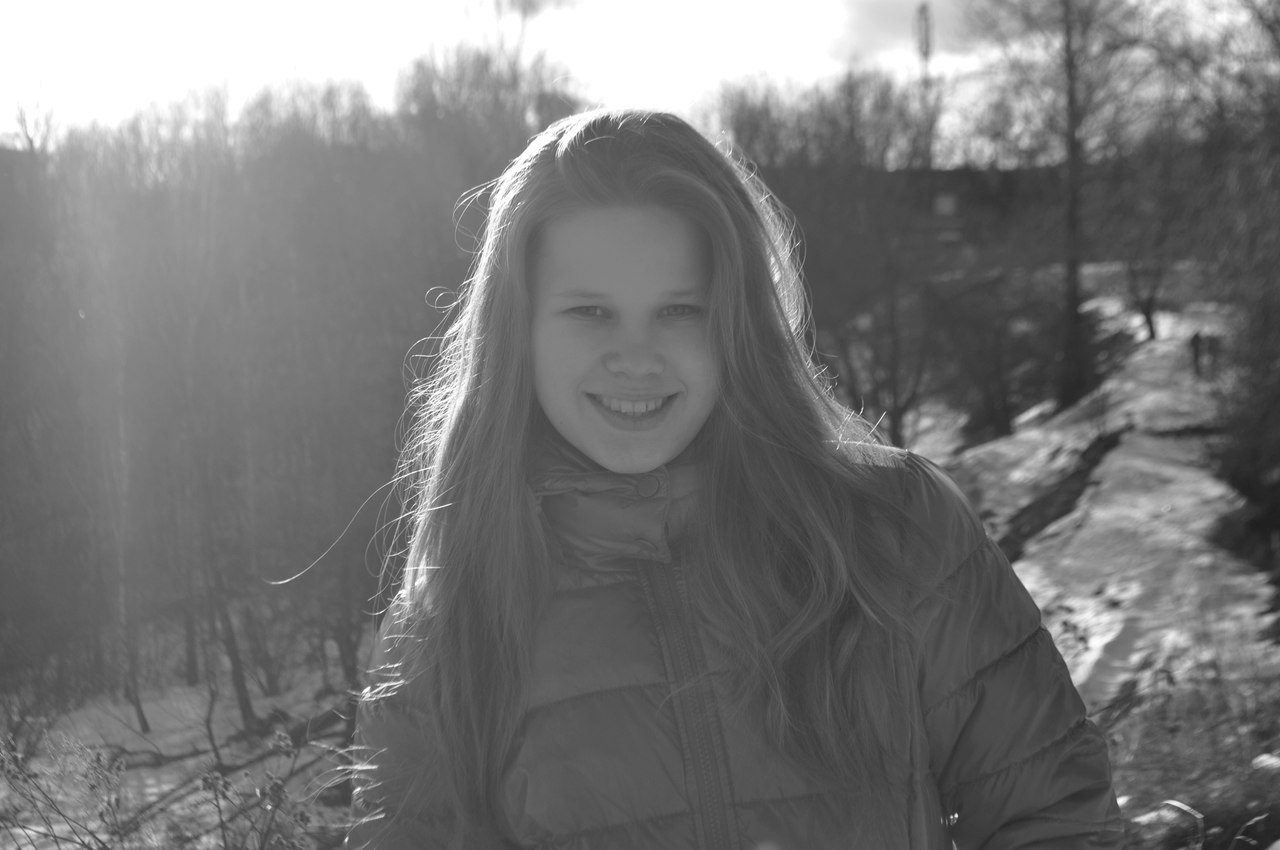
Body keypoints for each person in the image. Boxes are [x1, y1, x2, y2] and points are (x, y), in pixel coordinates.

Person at [345, 108, 1123, 850]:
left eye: (679, 311)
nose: (636, 357)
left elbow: (1055, 817)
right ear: (518, 332)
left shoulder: (898, 529)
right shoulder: (451, 622)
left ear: (737, 321)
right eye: (591, 313)